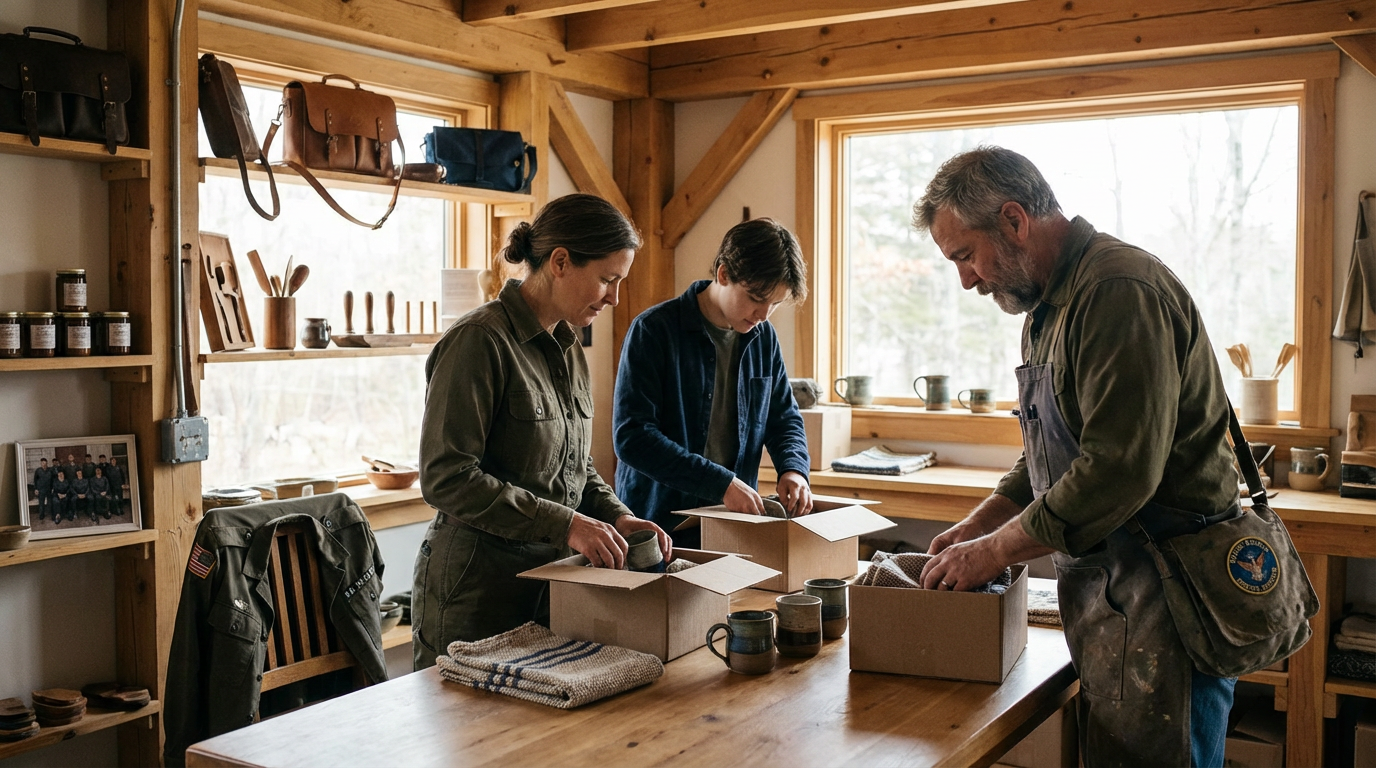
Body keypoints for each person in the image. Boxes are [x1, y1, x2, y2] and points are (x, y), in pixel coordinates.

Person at [910, 146, 1241, 767]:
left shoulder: (1118, 291)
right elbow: (1051, 451)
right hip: (1117, 599)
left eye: (964, 255)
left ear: (1014, 220)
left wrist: (992, 552)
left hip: (1169, 597)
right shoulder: (1048, 306)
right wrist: (978, 523)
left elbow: (1116, 470)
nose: (965, 279)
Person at [413, 194, 671, 669]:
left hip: (551, 585)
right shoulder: (479, 341)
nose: (613, 297)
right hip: (476, 593)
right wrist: (567, 524)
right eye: (607, 279)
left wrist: (616, 517)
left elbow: (575, 467)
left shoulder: (568, 346)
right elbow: (446, 477)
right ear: (560, 262)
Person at [613, 218, 813, 548]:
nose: (763, 314)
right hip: (660, 524)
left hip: (733, 522)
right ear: (723, 274)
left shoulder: (763, 338)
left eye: (775, 304)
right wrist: (720, 483)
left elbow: (783, 417)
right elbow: (632, 437)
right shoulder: (653, 330)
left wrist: (793, 469)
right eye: (755, 298)